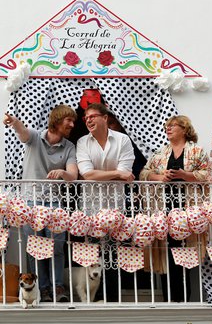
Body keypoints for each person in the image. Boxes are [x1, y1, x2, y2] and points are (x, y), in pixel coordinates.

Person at [3, 104, 78, 302]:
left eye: (73, 121)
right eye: (68, 120)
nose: (72, 124)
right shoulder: (36, 137)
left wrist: (63, 173)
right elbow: (22, 131)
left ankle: (58, 287)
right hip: (31, 201)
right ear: (57, 120)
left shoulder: (69, 147)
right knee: (36, 246)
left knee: (57, 246)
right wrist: (13, 121)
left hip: (54, 203)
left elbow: (73, 175)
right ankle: (42, 287)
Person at [140, 115, 210, 302]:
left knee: (185, 254)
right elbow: (144, 172)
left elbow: (206, 175)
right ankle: (169, 299)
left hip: (189, 212)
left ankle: (184, 300)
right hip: (164, 211)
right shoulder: (161, 153)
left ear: (185, 129)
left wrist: (185, 175)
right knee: (167, 253)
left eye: (173, 126)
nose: (168, 129)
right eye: (166, 126)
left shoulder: (197, 151)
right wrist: (160, 177)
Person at [75, 103, 135, 302]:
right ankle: (92, 298)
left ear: (105, 118)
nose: (88, 120)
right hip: (91, 206)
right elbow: (87, 173)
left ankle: (112, 298)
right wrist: (116, 173)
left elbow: (126, 172)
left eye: (92, 116)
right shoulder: (83, 142)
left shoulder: (122, 140)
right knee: (92, 253)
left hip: (115, 205)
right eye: (86, 118)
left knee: (114, 254)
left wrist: (110, 175)